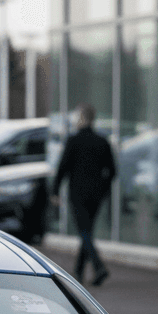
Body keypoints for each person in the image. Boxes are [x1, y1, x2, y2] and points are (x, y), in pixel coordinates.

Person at [51, 104, 117, 286]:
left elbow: (62, 168)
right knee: (86, 232)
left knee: (84, 232)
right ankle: (78, 271)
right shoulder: (102, 141)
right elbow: (112, 171)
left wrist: (55, 191)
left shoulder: (73, 141)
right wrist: (102, 190)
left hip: (78, 194)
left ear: (82, 118)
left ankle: (99, 266)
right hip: (96, 195)